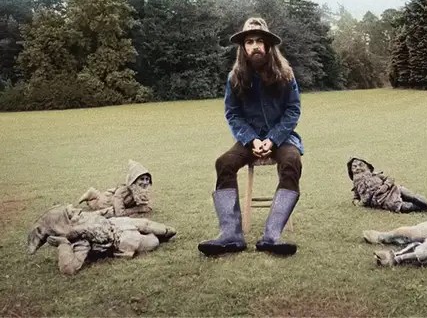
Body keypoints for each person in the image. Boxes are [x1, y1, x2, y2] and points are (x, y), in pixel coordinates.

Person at [198, 17, 302, 257]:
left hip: (282, 138)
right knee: (224, 163)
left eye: (259, 41)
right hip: (249, 139)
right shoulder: (234, 77)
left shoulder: (286, 74)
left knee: (292, 161)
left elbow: (293, 110)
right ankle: (231, 235)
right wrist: (252, 139)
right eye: (249, 42)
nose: (255, 46)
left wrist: (273, 139)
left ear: (268, 45)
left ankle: (272, 236)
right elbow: (233, 114)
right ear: (243, 48)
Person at [27, 204, 176, 275]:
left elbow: (100, 214)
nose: (78, 211)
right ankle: (157, 237)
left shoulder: (86, 218)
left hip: (117, 224)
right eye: (72, 214)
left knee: (145, 223)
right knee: (153, 241)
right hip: (122, 240)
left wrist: (110, 210)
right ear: (64, 226)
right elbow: (69, 268)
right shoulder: (80, 240)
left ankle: (166, 231)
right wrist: (63, 244)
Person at [347, 157, 427, 215]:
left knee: (411, 195)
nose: (358, 168)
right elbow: (356, 197)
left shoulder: (375, 175)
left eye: (361, 165)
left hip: (393, 189)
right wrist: (357, 202)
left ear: (367, 166)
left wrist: (386, 186)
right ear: (351, 171)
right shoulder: (356, 185)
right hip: (384, 201)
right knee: (406, 207)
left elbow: (390, 178)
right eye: (354, 167)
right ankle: (423, 207)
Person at [77, 160, 153, 217]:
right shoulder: (122, 192)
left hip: (116, 202)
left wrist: (142, 207)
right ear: (134, 181)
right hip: (106, 203)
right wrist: (137, 209)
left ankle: (95, 194)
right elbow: (119, 213)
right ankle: (93, 194)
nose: (145, 182)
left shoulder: (140, 191)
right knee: (95, 205)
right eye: (142, 179)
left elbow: (148, 207)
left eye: (147, 179)